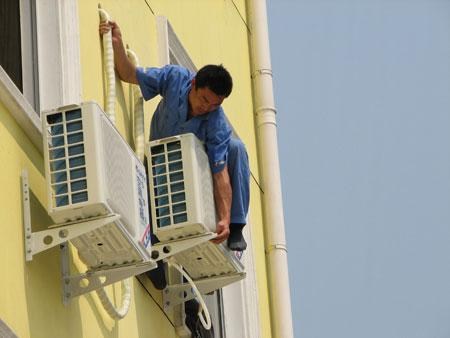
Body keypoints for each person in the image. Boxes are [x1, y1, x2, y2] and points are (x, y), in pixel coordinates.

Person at [99, 21, 249, 251]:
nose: (206, 108)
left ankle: (237, 226)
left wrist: (225, 220)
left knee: (237, 148)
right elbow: (129, 74)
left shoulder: (216, 121)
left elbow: (220, 176)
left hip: (195, 178)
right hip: (159, 162)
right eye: (204, 100)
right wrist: (116, 45)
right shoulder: (174, 78)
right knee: (152, 217)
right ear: (194, 83)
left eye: (214, 105)